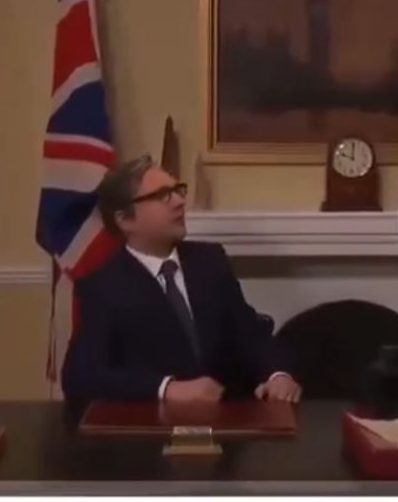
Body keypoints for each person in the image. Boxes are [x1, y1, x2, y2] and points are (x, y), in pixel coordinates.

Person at [60, 156, 302, 404]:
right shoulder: (102, 287)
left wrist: (278, 375)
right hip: (154, 423)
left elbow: (250, 334)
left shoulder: (210, 261)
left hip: (230, 417)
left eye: (178, 190)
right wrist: (166, 389)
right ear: (125, 219)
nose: (180, 201)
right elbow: (81, 378)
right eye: (163, 195)